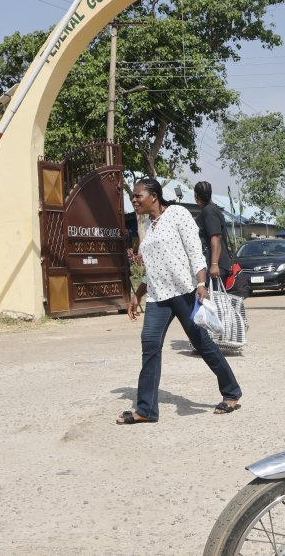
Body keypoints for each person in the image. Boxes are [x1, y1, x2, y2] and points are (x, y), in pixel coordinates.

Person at [118, 178, 242, 424]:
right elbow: (153, 269)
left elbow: (195, 251)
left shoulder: (177, 214)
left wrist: (201, 284)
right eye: (133, 196)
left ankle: (231, 393)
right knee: (149, 343)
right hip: (157, 297)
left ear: (153, 196)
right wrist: (138, 294)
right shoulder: (150, 227)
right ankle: (147, 409)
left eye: (137, 196)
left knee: (201, 342)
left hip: (185, 291)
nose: (133, 200)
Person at [193, 181, 235, 291]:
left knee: (214, 303)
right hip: (216, 264)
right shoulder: (213, 209)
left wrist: (214, 264)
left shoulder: (208, 211)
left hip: (216, 265)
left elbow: (216, 237)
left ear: (196, 196)